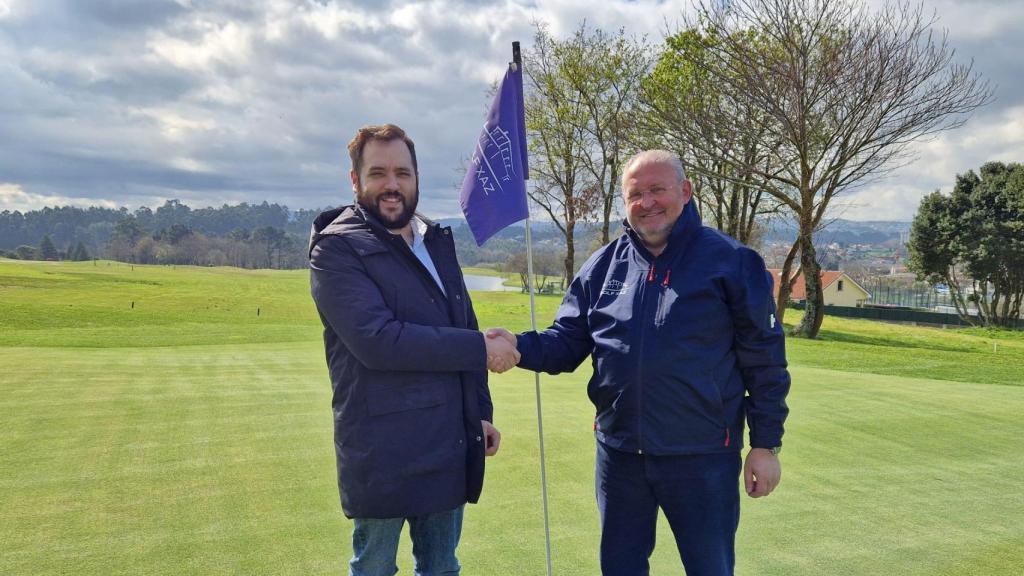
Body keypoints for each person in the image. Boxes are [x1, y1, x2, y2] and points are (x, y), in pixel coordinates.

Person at [487, 150, 791, 576]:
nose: (647, 202)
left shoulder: (733, 262)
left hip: (703, 456)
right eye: (635, 194)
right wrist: (518, 345)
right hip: (620, 455)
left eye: (657, 190)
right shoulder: (602, 266)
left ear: (685, 191)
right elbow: (567, 343)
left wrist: (765, 444)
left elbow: (765, 361)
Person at [309, 123, 519, 576]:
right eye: (378, 173)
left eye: (402, 173)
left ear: (416, 178)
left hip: (447, 443)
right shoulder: (336, 249)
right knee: (375, 569)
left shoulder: (435, 241)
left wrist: (480, 413)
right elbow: (379, 341)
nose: (392, 185)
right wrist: (480, 348)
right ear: (355, 180)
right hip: (381, 450)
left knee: (442, 567)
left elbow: (465, 325)